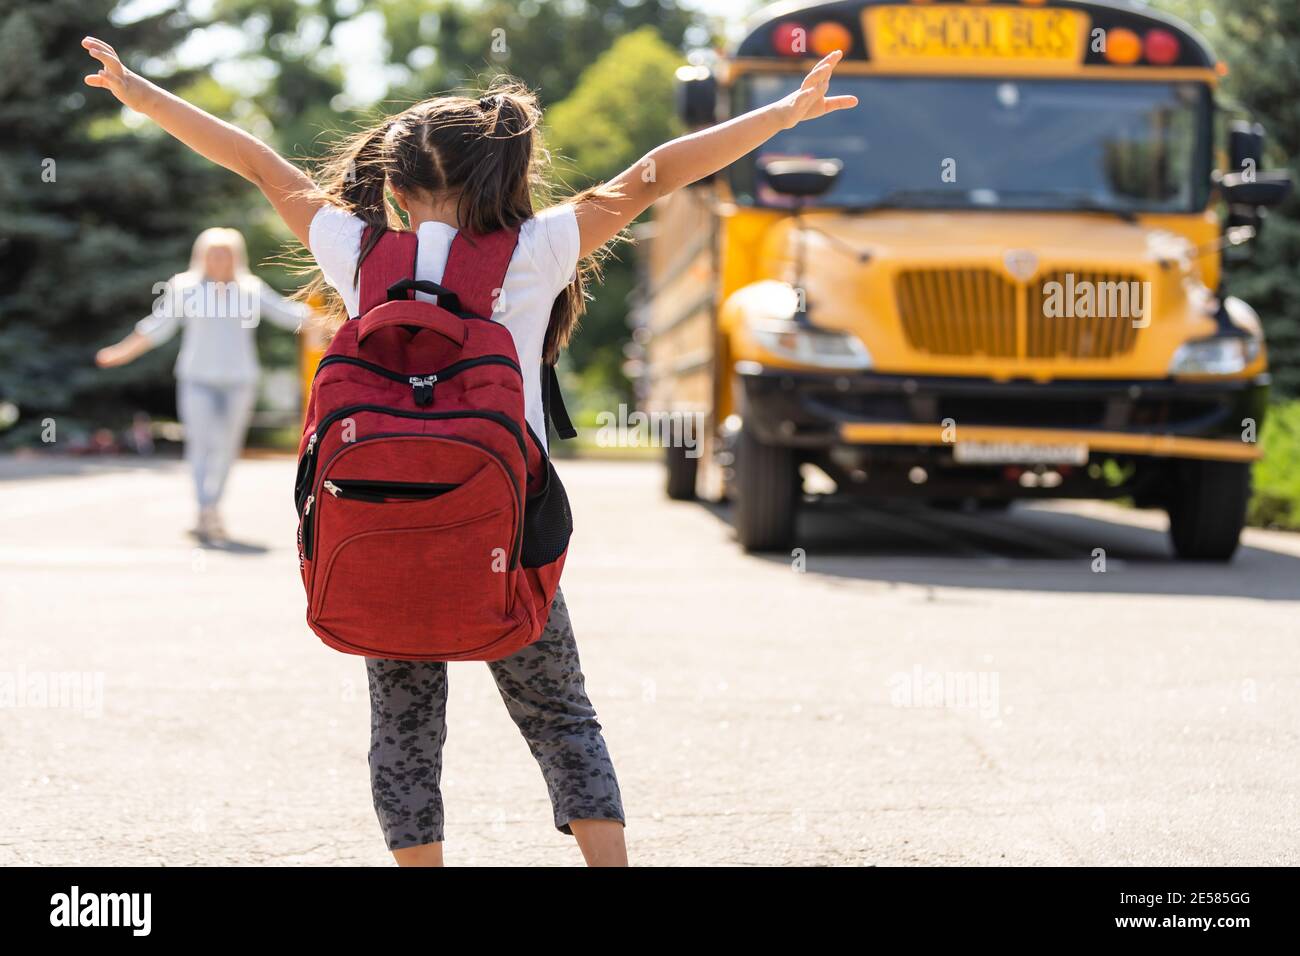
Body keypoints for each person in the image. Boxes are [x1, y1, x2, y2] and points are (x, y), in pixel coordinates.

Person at [81, 33, 856, 867]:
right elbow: (656, 175)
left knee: (404, 729)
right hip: (507, 526)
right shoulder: (536, 249)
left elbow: (265, 167)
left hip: (381, 515)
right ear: (497, 177)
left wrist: (146, 97)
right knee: (560, 714)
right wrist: (781, 112)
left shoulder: (357, 251)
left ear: (395, 185)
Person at [96, 227, 308, 541]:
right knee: (201, 444)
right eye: (213, 252)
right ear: (201, 255)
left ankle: (212, 506)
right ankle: (206, 510)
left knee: (226, 447)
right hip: (197, 380)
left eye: (226, 253)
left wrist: (339, 320)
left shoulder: (250, 288)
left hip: (239, 382)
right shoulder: (184, 288)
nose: (220, 259)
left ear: (237, 257)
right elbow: (157, 328)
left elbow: (291, 315)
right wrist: (120, 352)